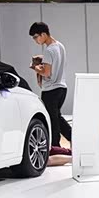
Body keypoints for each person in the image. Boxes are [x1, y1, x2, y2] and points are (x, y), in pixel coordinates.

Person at [29, 22, 71, 150]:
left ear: (43, 34)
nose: (35, 40)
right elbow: (56, 62)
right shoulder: (60, 46)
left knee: (52, 120)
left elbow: (46, 73)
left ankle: (55, 147)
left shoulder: (48, 50)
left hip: (50, 90)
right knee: (57, 117)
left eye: (36, 37)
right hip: (62, 88)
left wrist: (35, 67)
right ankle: (74, 138)